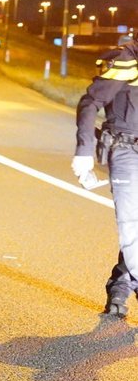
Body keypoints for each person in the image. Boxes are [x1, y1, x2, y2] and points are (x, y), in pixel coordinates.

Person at [73, 41, 138, 316]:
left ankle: (120, 285)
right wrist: (84, 151)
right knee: (131, 224)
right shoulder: (126, 59)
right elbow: (90, 103)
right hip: (126, 152)